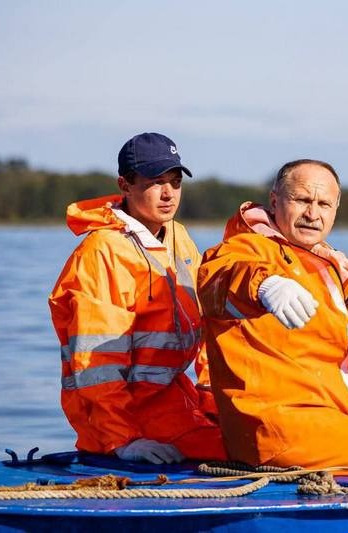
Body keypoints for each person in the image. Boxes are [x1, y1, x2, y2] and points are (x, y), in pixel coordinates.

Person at [197, 159, 348, 478]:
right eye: (302, 200)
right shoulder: (244, 248)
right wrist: (264, 285)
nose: (313, 213)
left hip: (322, 419)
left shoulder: (336, 272)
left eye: (323, 203)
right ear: (274, 201)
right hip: (271, 422)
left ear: (336, 208)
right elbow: (216, 282)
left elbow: (347, 362)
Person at [49, 132, 226, 464]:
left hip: (172, 397)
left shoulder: (179, 237)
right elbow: (96, 364)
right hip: (126, 417)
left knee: (257, 436)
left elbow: (207, 332)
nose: (168, 193)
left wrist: (221, 405)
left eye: (175, 182)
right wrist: (122, 440)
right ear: (125, 185)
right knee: (234, 454)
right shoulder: (102, 251)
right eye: (156, 182)